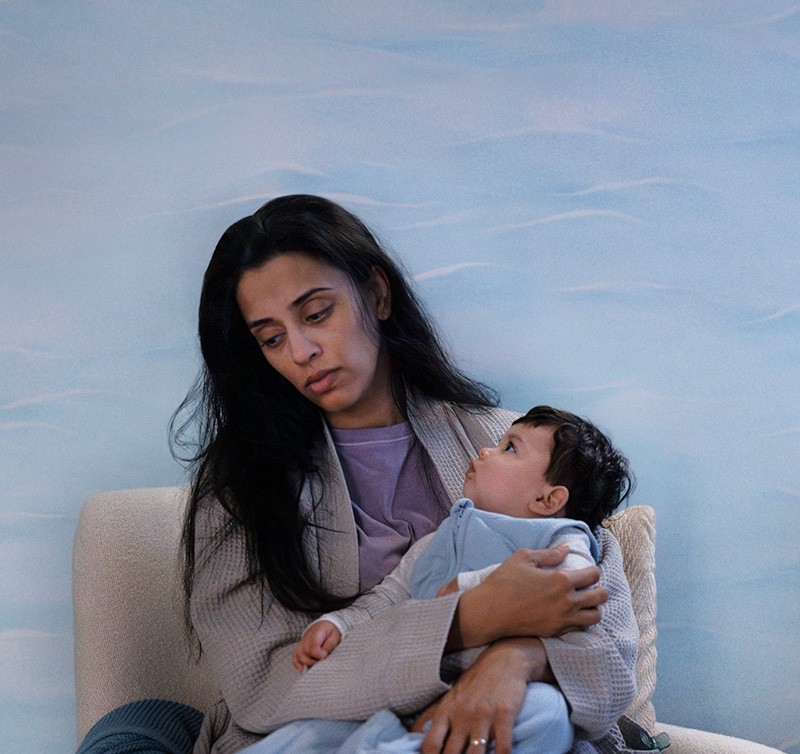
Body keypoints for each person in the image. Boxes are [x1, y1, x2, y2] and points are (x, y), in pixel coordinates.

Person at [75, 195, 639, 754]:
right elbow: (264, 686)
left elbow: (610, 649)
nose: (301, 351)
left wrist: (515, 660)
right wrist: (465, 621)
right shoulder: (240, 489)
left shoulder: (511, 447)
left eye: (317, 313)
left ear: (377, 293)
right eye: (271, 338)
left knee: (544, 722)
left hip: (495, 736)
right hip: (325, 739)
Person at [283, 406, 634, 754]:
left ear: (548, 499)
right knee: (302, 734)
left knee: (546, 713)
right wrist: (339, 623)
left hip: (504, 694)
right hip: (415, 691)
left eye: (509, 448)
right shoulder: (438, 539)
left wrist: (472, 587)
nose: (485, 450)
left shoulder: (559, 538)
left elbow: (574, 588)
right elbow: (388, 596)